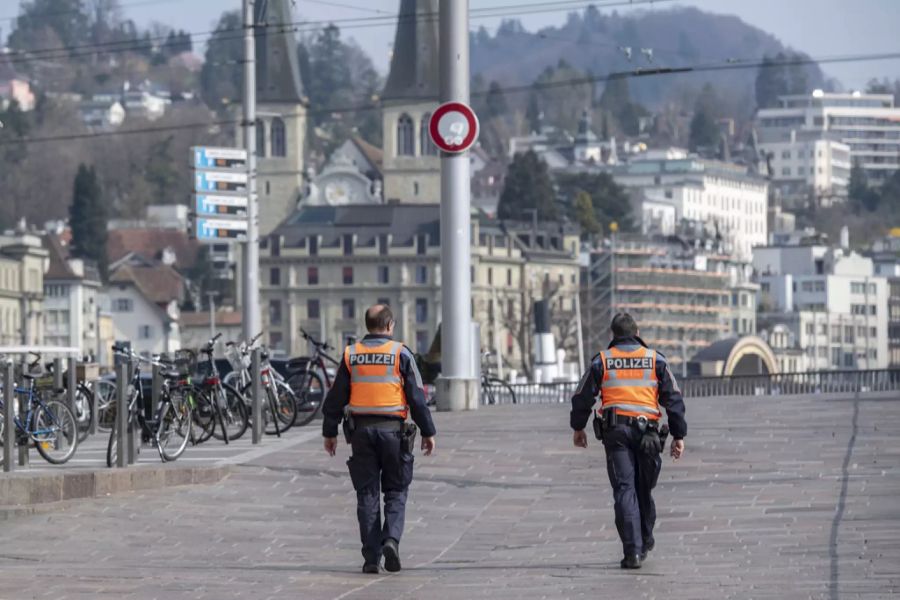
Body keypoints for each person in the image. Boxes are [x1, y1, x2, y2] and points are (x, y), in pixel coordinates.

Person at [322, 304, 437, 574]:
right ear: (389, 326)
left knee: (367, 494)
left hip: (361, 432)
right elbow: (417, 398)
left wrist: (330, 432)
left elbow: (335, 398)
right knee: (396, 491)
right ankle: (391, 541)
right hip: (394, 432)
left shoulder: (352, 355)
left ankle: (371, 557)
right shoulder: (400, 353)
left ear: (368, 325)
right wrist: (428, 431)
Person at [570, 313, 687, 569]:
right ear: (636, 332)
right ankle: (644, 539)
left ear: (613, 334)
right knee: (643, 489)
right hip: (649, 435)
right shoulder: (656, 360)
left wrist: (578, 428)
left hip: (617, 433)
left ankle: (633, 551)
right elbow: (674, 400)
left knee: (625, 489)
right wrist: (679, 435)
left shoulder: (602, 361)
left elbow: (581, 398)